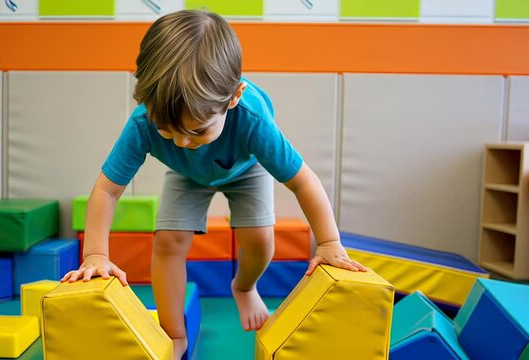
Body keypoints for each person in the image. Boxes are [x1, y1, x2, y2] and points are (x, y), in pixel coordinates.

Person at [61, 9, 367, 359]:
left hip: (246, 168)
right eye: (166, 130)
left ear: (234, 97)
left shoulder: (253, 121)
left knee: (260, 240)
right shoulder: (145, 121)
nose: (180, 142)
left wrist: (328, 242)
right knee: (168, 243)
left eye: (197, 131)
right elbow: (106, 190)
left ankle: (244, 286)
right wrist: (96, 255)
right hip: (188, 175)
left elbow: (303, 182)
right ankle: (174, 334)